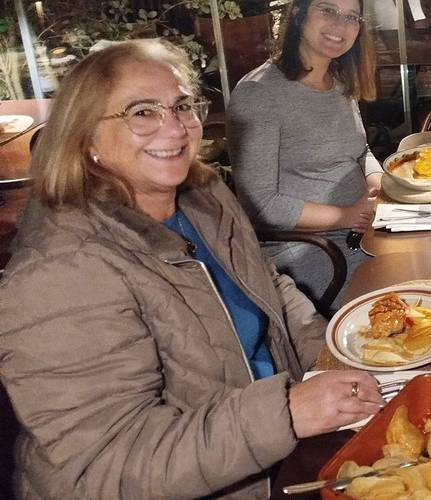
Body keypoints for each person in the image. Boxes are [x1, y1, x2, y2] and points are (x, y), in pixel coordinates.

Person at [0, 40, 381, 500]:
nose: (176, 128)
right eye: (142, 112)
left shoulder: (202, 197)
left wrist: (331, 358)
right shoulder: (58, 272)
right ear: (87, 138)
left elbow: (270, 287)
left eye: (182, 106)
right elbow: (103, 465)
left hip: (278, 450)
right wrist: (285, 412)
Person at [227, 0, 382, 312]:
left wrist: (381, 184)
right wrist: (346, 216)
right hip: (313, 249)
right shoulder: (258, 94)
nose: (340, 25)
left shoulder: (339, 81)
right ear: (298, 15)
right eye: (328, 11)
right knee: (408, 302)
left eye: (351, 17)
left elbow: (361, 152)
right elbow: (260, 205)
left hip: (365, 229)